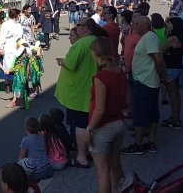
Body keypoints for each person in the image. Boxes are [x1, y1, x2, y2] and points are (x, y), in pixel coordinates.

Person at [54, 17, 105, 168]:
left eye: (79, 25)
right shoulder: (94, 40)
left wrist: (61, 61)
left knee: (80, 126)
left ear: (86, 28)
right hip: (86, 87)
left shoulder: (82, 43)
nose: (77, 27)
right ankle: (86, 152)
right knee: (84, 123)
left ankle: (81, 157)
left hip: (78, 91)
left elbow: (71, 63)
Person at [86, 37, 127, 193]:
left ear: (95, 53)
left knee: (102, 171)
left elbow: (100, 109)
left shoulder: (101, 77)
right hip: (118, 122)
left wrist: (89, 129)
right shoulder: (120, 72)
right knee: (116, 165)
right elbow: (126, 99)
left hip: (103, 126)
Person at [121, 16, 166, 155]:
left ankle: (138, 144)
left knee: (140, 114)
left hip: (145, 81)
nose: (133, 25)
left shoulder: (149, 38)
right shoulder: (147, 37)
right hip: (147, 80)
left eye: (136, 24)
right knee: (152, 113)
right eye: (133, 22)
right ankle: (150, 143)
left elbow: (158, 60)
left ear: (146, 26)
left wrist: (163, 76)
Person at [160, 17, 183, 129]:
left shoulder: (172, 39)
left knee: (172, 95)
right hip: (177, 66)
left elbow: (161, 50)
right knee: (176, 94)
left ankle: (175, 120)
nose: (167, 26)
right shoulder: (182, 38)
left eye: (169, 24)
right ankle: (176, 117)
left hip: (170, 67)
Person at [18, 116, 53, 182]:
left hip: (37, 172)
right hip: (48, 169)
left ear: (26, 128)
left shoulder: (25, 140)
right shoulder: (42, 137)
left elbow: (21, 157)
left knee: (21, 163)